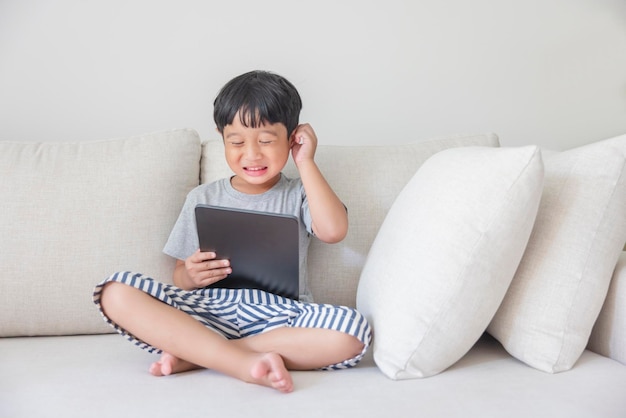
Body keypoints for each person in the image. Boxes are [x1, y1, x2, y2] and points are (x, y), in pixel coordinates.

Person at [93, 70, 372, 393]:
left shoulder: (299, 193)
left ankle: (204, 354)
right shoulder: (202, 198)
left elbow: (334, 231)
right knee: (115, 291)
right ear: (221, 136)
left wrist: (306, 161)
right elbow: (180, 276)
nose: (252, 154)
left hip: (279, 317)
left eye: (266, 141)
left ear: (292, 137)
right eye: (236, 142)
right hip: (209, 311)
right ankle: (237, 361)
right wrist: (191, 276)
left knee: (354, 332)